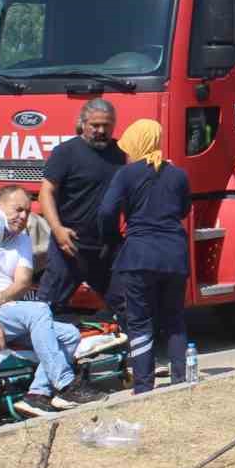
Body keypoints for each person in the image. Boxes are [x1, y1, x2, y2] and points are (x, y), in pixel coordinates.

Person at [0, 186, 105, 416]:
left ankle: (37, 394)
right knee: (38, 309)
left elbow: (22, 282)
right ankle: (66, 384)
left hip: (5, 315)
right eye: (17, 209)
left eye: (27, 212)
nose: (23, 217)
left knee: (70, 334)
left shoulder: (21, 239)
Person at [98, 119, 192, 394]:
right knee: (174, 318)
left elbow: (106, 211)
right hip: (175, 255)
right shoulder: (179, 175)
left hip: (138, 256)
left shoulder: (126, 175)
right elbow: (184, 209)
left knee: (140, 321)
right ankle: (180, 380)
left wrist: (112, 237)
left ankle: (143, 385)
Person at [38, 98, 128, 314]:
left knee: (124, 302)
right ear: (83, 123)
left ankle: (128, 344)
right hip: (70, 245)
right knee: (47, 306)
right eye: (95, 125)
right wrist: (57, 230)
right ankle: (31, 344)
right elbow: (45, 192)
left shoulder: (121, 153)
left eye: (106, 125)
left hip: (107, 247)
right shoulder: (65, 152)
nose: (101, 130)